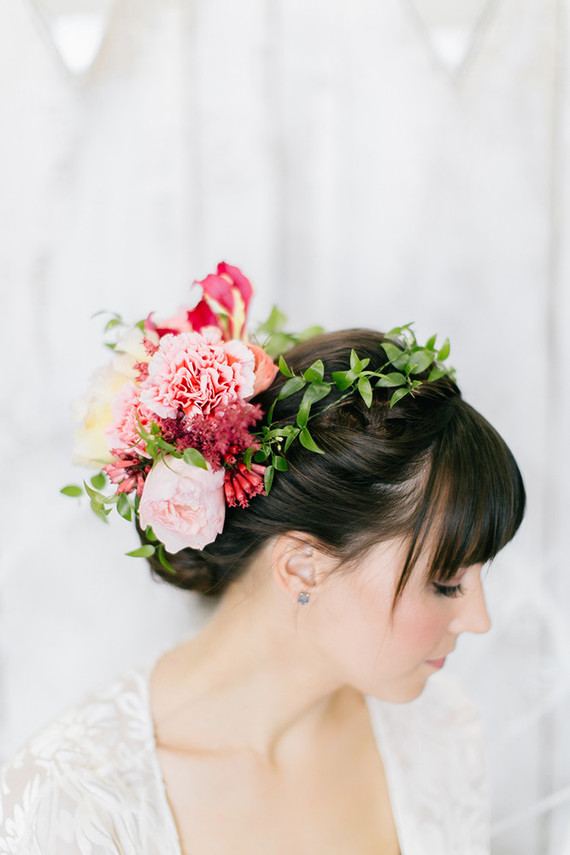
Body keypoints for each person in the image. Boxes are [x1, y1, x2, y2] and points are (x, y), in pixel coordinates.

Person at [0, 265, 525, 855]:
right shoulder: (76, 802)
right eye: (446, 582)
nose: (479, 621)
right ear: (303, 566)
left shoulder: (439, 734)